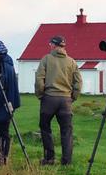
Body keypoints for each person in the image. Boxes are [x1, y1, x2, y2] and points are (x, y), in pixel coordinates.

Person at [35, 35, 82, 166]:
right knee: (66, 131)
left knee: (45, 128)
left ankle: (49, 159)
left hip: (49, 99)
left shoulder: (46, 59)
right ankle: (66, 161)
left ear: (54, 45)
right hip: (66, 100)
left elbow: (39, 80)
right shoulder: (71, 62)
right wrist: (73, 97)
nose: (49, 46)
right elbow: (78, 82)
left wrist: (40, 95)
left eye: (50, 44)